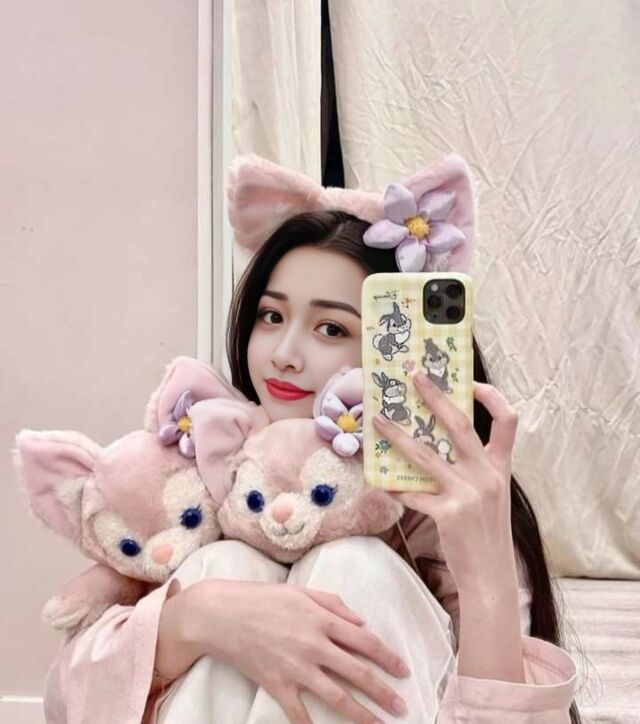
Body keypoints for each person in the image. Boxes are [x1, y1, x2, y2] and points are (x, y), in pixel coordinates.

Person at [43, 155, 580, 724]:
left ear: (398, 348)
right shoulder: (205, 458)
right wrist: (200, 616)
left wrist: (488, 572)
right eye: (271, 317)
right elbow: (65, 700)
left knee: (354, 565)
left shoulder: (442, 507)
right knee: (226, 564)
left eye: (331, 328)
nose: (284, 353)